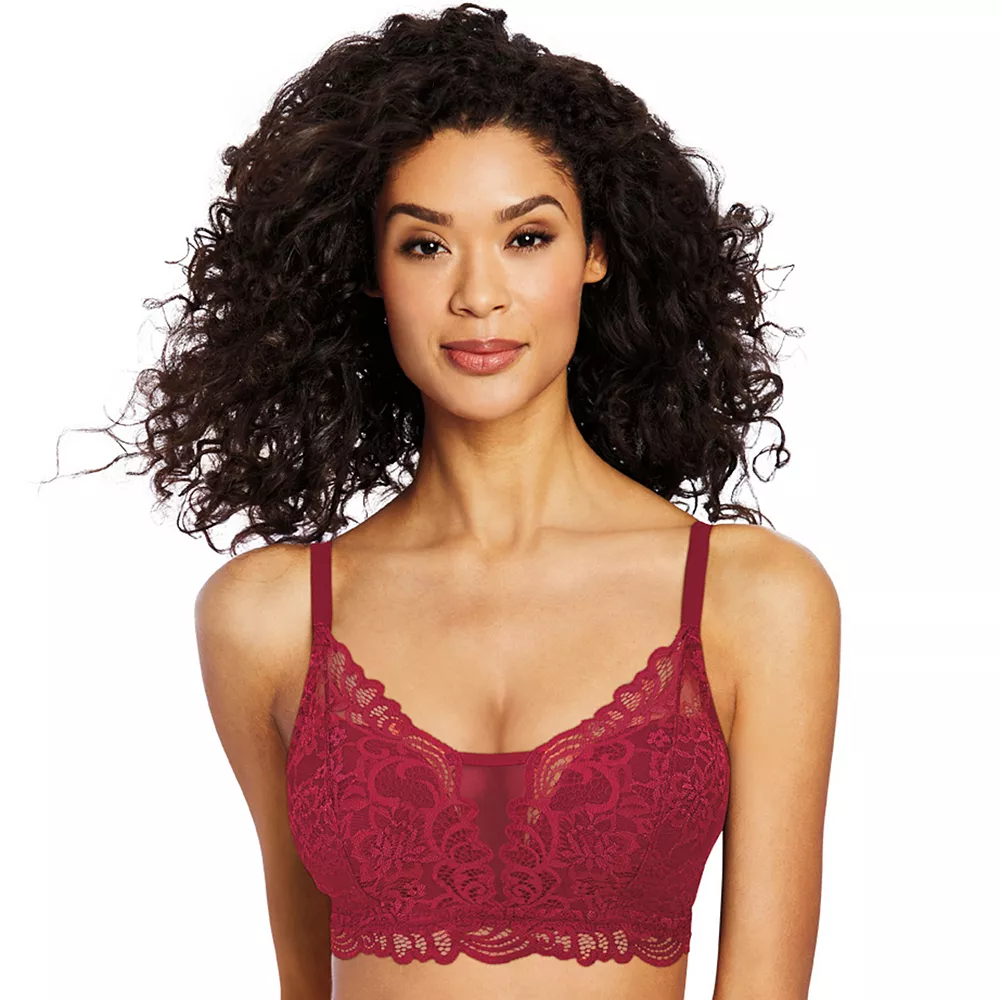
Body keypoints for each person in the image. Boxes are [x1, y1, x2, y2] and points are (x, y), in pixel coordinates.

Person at [65, 5, 840, 998]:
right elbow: (306, 982)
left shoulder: (754, 598)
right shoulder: (266, 618)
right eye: (425, 246)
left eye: (526, 236)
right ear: (369, 273)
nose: (479, 294)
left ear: (595, 251)